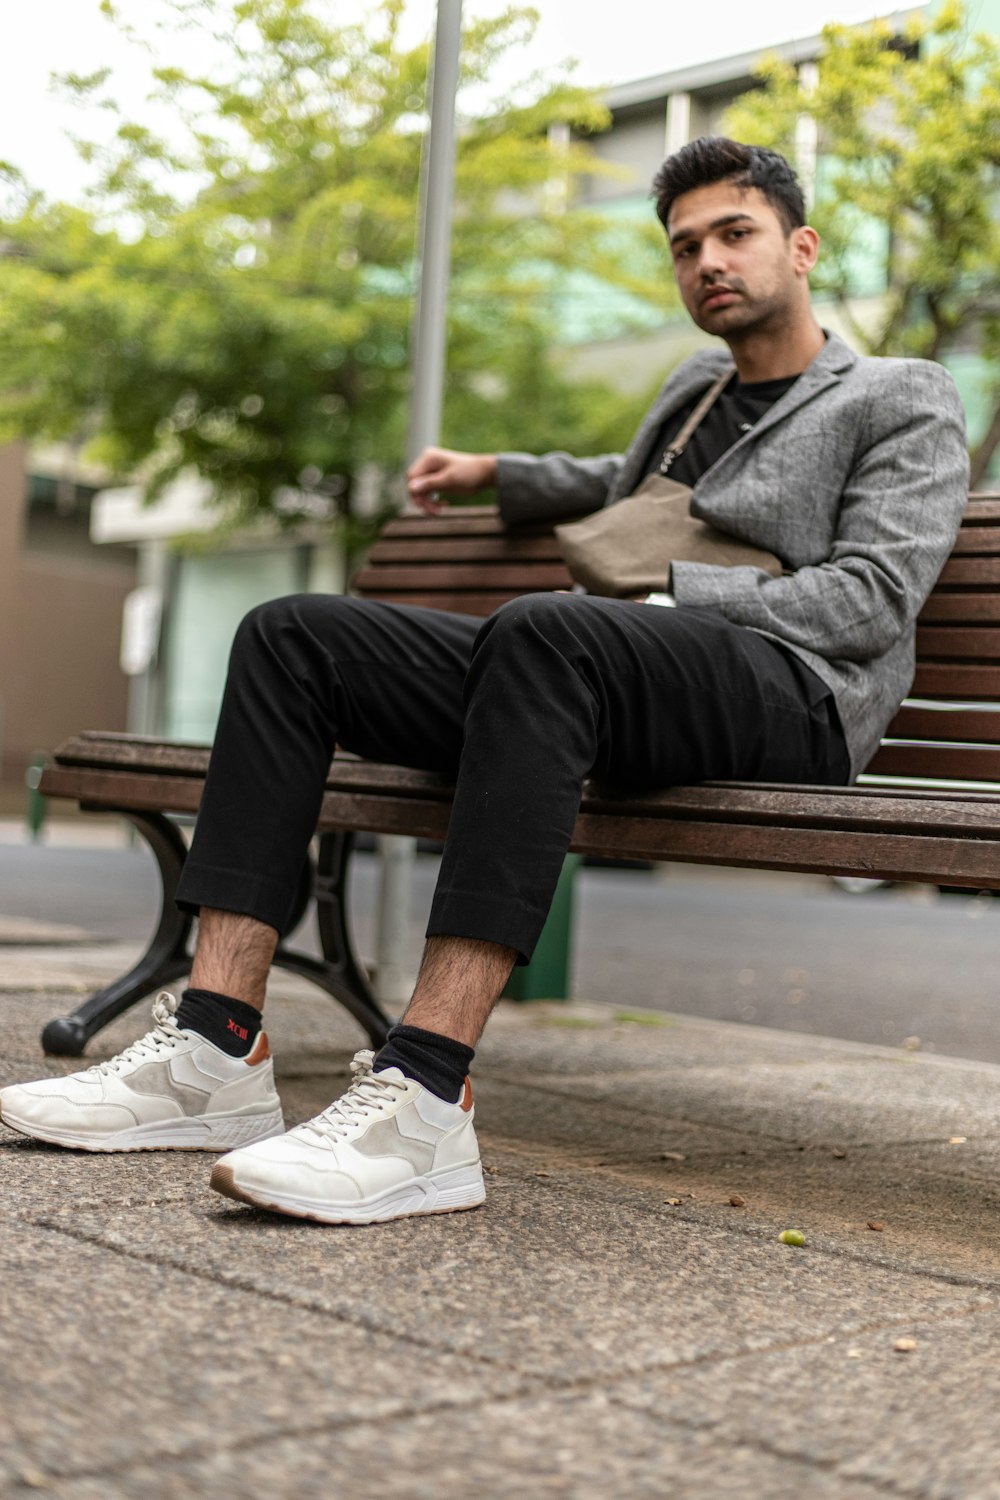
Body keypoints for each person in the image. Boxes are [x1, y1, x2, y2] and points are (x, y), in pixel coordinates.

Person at [1, 137, 969, 1225]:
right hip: (622, 675)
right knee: (294, 634)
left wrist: (669, 598)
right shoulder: (698, 387)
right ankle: (213, 1051)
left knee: (547, 631)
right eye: (684, 244)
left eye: (733, 234)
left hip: (796, 697)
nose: (707, 260)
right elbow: (622, 487)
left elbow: (871, 600)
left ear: (802, 248)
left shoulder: (899, 394)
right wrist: (497, 474)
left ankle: (424, 1096)